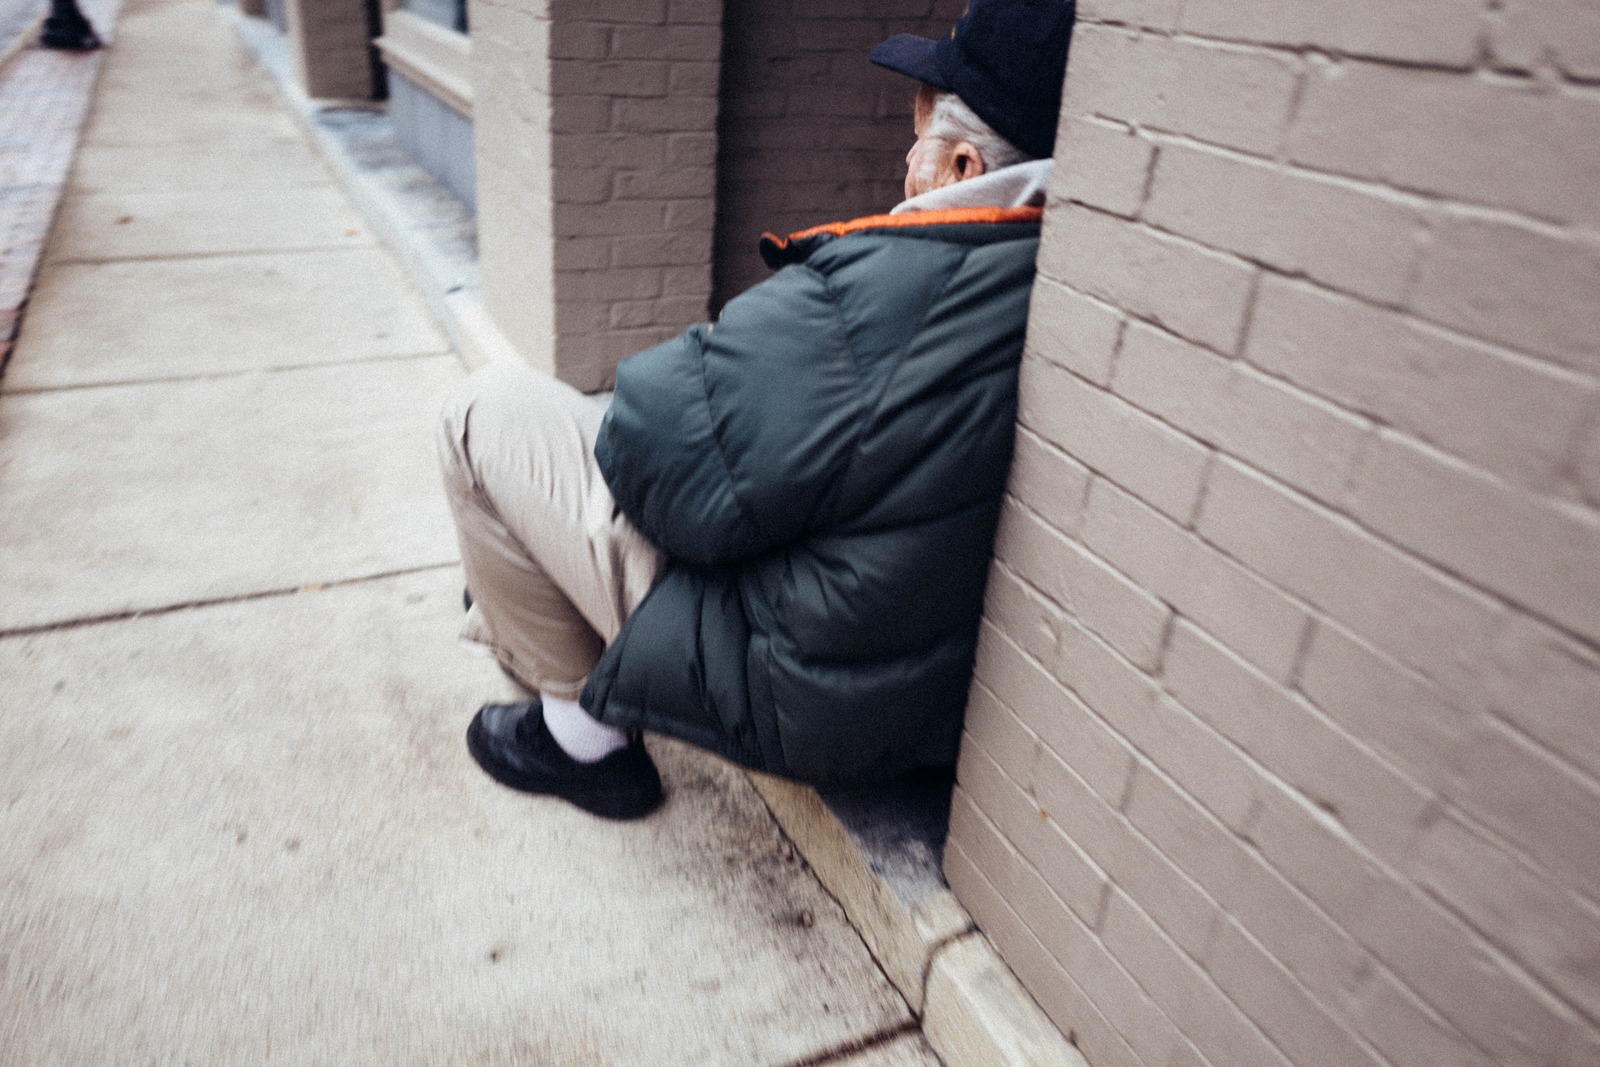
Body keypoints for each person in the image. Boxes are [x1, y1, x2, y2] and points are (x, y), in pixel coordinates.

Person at [437, 0, 1076, 820]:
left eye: (919, 129)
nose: (902, 153)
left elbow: (651, 463)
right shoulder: (1047, 279)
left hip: (789, 689)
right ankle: (525, 597)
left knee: (483, 412)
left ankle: (583, 744)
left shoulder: (889, 295)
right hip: (901, 691)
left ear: (960, 166)